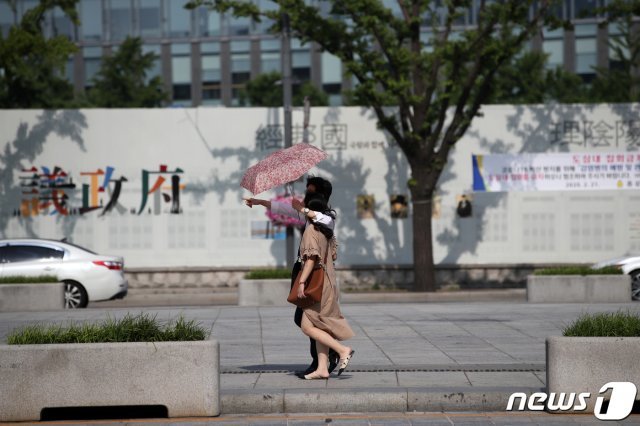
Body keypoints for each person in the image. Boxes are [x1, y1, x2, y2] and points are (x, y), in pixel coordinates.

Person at [243, 176, 340, 377]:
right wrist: (260, 202)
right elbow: (283, 209)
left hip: (317, 276)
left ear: (321, 194)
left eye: (311, 190)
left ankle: (328, 355)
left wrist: (302, 209)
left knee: (307, 319)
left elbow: (322, 220)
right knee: (305, 319)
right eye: (307, 189)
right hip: (303, 271)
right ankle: (322, 358)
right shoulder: (307, 215)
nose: (307, 193)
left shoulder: (327, 218)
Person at [295, 192, 354, 380]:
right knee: (320, 326)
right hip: (329, 284)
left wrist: (301, 281)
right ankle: (322, 368)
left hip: (316, 285)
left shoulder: (312, 230)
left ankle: (342, 350)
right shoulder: (327, 231)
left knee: (306, 326)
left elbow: (311, 259)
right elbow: (334, 256)